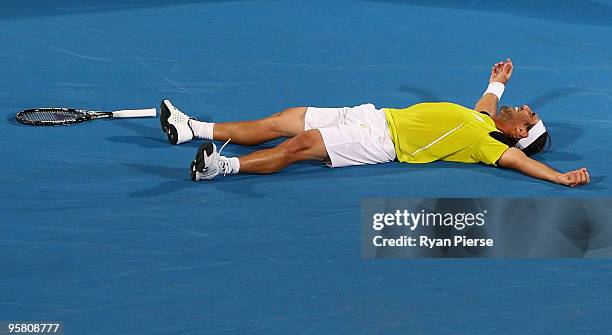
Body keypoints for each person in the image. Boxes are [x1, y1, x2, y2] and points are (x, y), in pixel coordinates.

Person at [160, 59, 589, 187]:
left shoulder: (490, 146)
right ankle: (192, 129)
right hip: (373, 116)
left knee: (300, 145)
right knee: (281, 121)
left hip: (381, 142)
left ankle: (223, 167)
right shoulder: (482, 118)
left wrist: (559, 177)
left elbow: (519, 163)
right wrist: (496, 82)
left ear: (517, 135)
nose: (525, 108)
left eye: (528, 116)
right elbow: (486, 101)